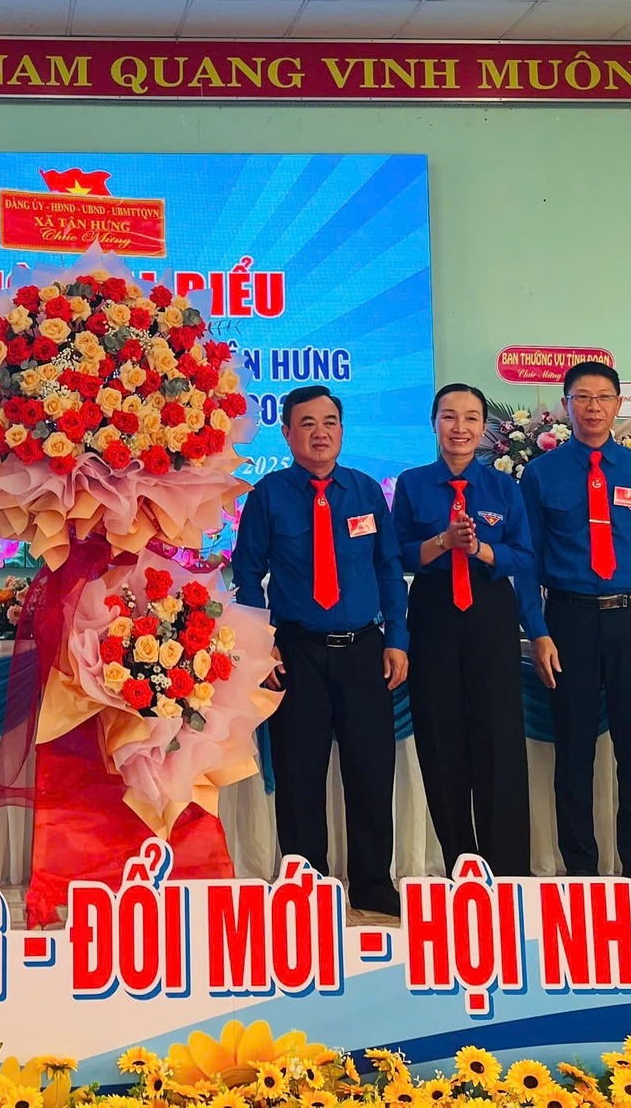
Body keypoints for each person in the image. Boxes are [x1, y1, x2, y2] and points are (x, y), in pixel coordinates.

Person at [233, 384, 407, 919]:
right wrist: (262, 647)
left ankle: (373, 883)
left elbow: (388, 569)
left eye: (329, 422)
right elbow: (247, 575)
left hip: (364, 650)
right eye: (307, 424)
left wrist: (397, 639)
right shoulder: (269, 495)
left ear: (342, 430)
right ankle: (305, 884)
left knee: (371, 771)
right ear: (287, 434)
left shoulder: (366, 492)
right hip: (297, 652)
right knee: (299, 774)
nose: (320, 433)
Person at [521, 361, 631, 877]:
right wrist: (538, 631)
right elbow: (526, 561)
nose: (593, 407)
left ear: (618, 405)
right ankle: (581, 872)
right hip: (568, 620)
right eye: (582, 397)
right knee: (573, 751)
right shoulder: (541, 473)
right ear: (565, 405)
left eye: (603, 397)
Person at [392, 383, 539, 877]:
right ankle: (460, 863)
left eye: (472, 418)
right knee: (440, 735)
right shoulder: (412, 483)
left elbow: (523, 555)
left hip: (489, 607)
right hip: (433, 610)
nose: (461, 428)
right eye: (450, 417)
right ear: (434, 423)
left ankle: (509, 869)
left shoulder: (503, 486)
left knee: (499, 735)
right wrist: (442, 542)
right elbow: (398, 554)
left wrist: (478, 549)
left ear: (483, 427)